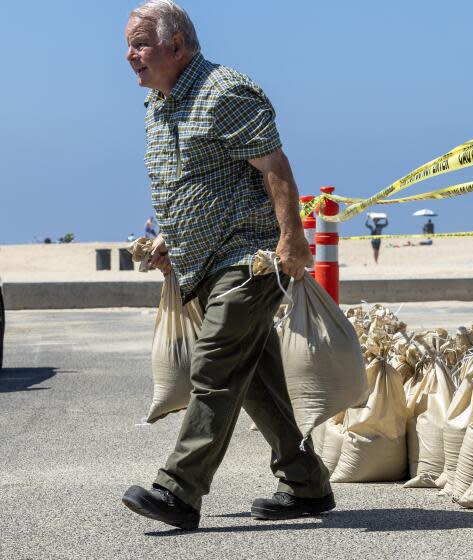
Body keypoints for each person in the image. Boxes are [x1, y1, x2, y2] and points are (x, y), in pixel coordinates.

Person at [121, 1, 333, 531]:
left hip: (250, 258)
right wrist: (173, 238)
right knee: (256, 378)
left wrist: (292, 240)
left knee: (213, 365)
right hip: (203, 262)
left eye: (141, 43)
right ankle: (306, 484)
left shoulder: (224, 93)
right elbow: (193, 182)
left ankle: (179, 490)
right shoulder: (160, 104)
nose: (131, 56)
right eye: (129, 45)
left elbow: (274, 167)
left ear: (176, 45)